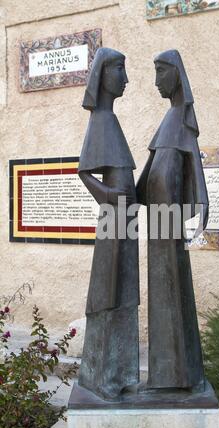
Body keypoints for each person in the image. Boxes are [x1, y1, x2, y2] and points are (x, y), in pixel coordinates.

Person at [136, 50, 209, 391]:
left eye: (160, 73)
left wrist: (204, 199)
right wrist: (126, 196)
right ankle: (167, 373)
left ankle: (177, 373)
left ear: (175, 75)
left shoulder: (181, 117)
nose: (155, 81)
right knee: (163, 291)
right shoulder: (168, 119)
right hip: (157, 220)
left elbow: (192, 158)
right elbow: (150, 172)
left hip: (168, 221)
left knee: (172, 291)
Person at [78, 48, 139, 400]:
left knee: (126, 290)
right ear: (104, 75)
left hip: (125, 221)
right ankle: (104, 376)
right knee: (111, 290)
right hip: (114, 223)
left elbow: (126, 178)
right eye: (120, 70)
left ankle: (123, 372)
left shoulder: (111, 121)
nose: (125, 79)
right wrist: (110, 196)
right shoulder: (101, 120)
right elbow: (85, 172)